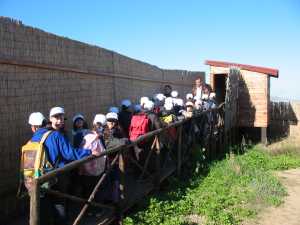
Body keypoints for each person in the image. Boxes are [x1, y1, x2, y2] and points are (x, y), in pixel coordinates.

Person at [24, 109, 99, 225]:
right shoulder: (55, 135)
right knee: (59, 203)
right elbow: (69, 153)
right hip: (57, 176)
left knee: (43, 207)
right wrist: (89, 152)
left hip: (39, 178)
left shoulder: (32, 139)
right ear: (46, 122)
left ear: (33, 127)